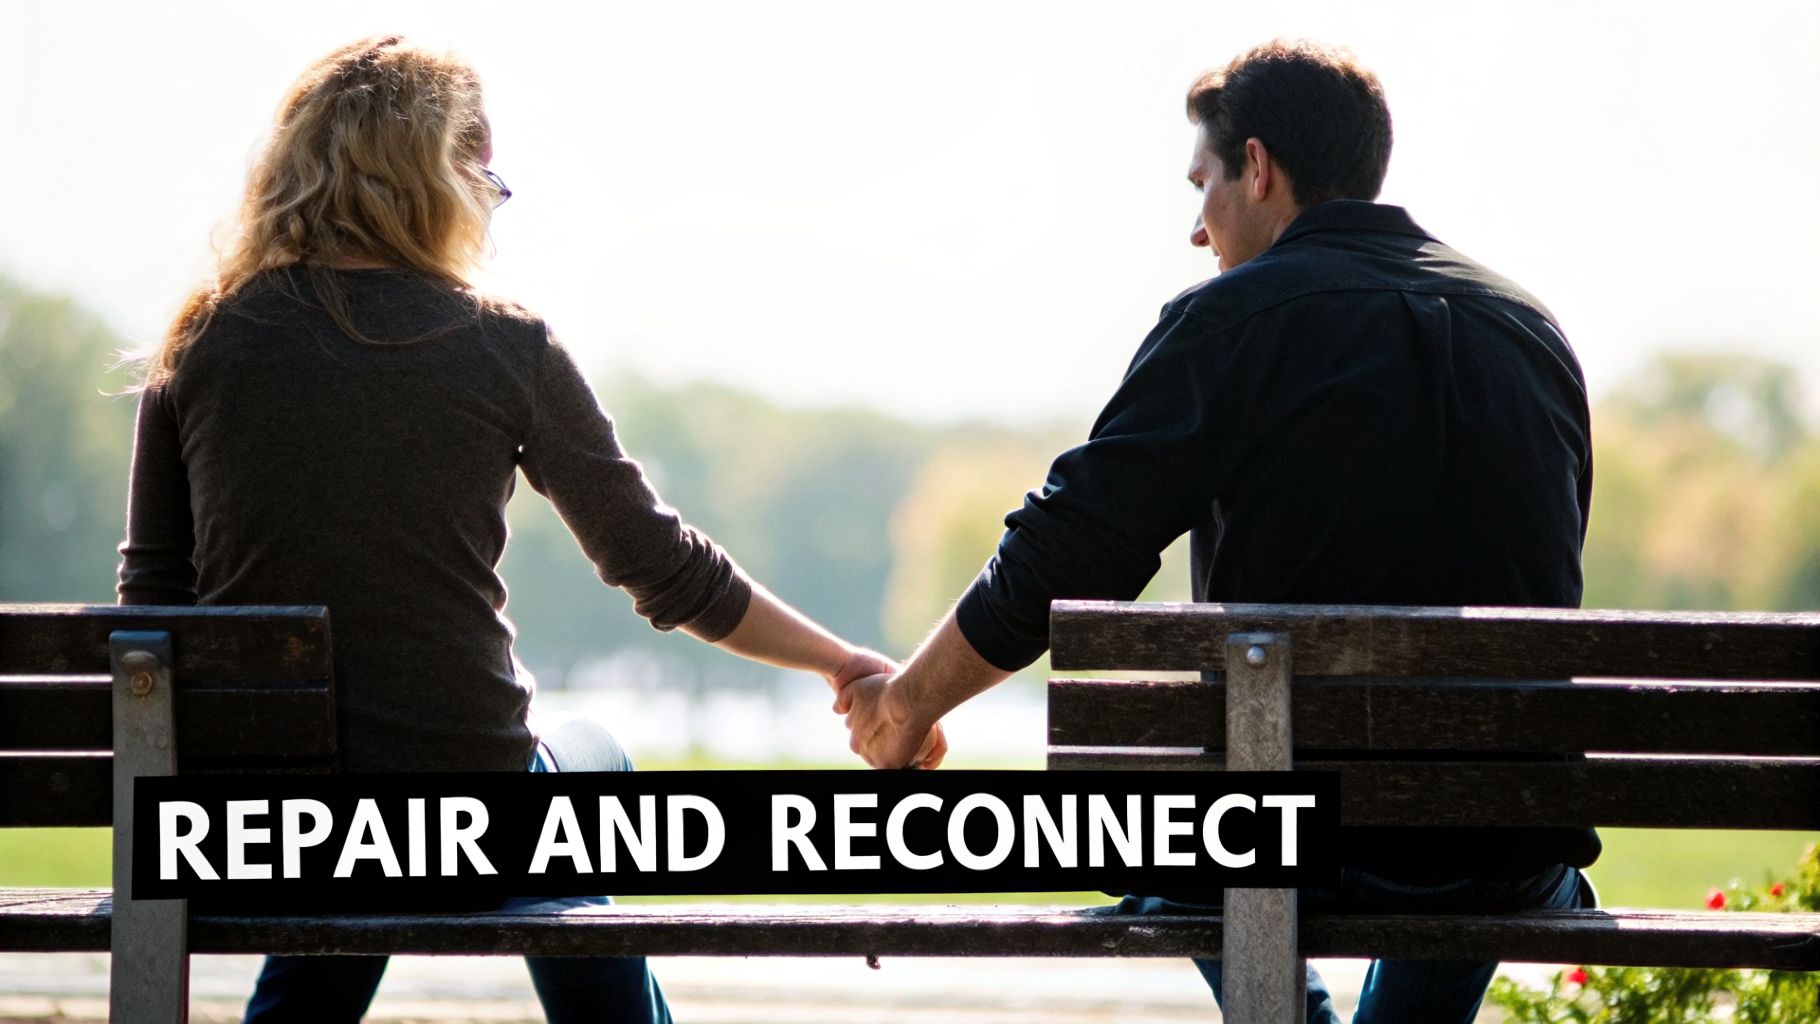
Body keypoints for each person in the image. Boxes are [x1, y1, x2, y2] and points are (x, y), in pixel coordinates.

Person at [115, 36, 943, 1024]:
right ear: (430, 173)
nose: (489, 198)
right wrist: (842, 662)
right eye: (483, 169)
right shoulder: (500, 344)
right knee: (586, 763)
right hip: (473, 830)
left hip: (259, 837)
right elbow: (661, 567)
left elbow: (151, 610)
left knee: (358, 853)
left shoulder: (200, 341)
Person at [839, 39, 1597, 1024]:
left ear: (1257, 167)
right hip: (1505, 846)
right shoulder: (1529, 330)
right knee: (1471, 850)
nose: (1196, 229)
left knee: (1146, 833)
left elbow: (1065, 553)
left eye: (1200, 181)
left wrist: (903, 710)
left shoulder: (1231, 323)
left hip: (1285, 847)